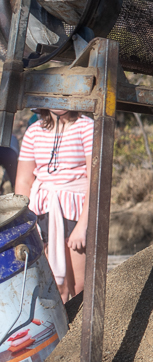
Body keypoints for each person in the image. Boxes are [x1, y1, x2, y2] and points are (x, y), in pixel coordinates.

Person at [15, 109, 93, 302]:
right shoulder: (34, 131)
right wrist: (25, 225)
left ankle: (81, 330)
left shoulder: (87, 127)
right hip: (43, 212)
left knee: (80, 285)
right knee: (55, 285)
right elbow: (24, 181)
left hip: (77, 210)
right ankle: (62, 331)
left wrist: (83, 225)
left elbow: (96, 180)